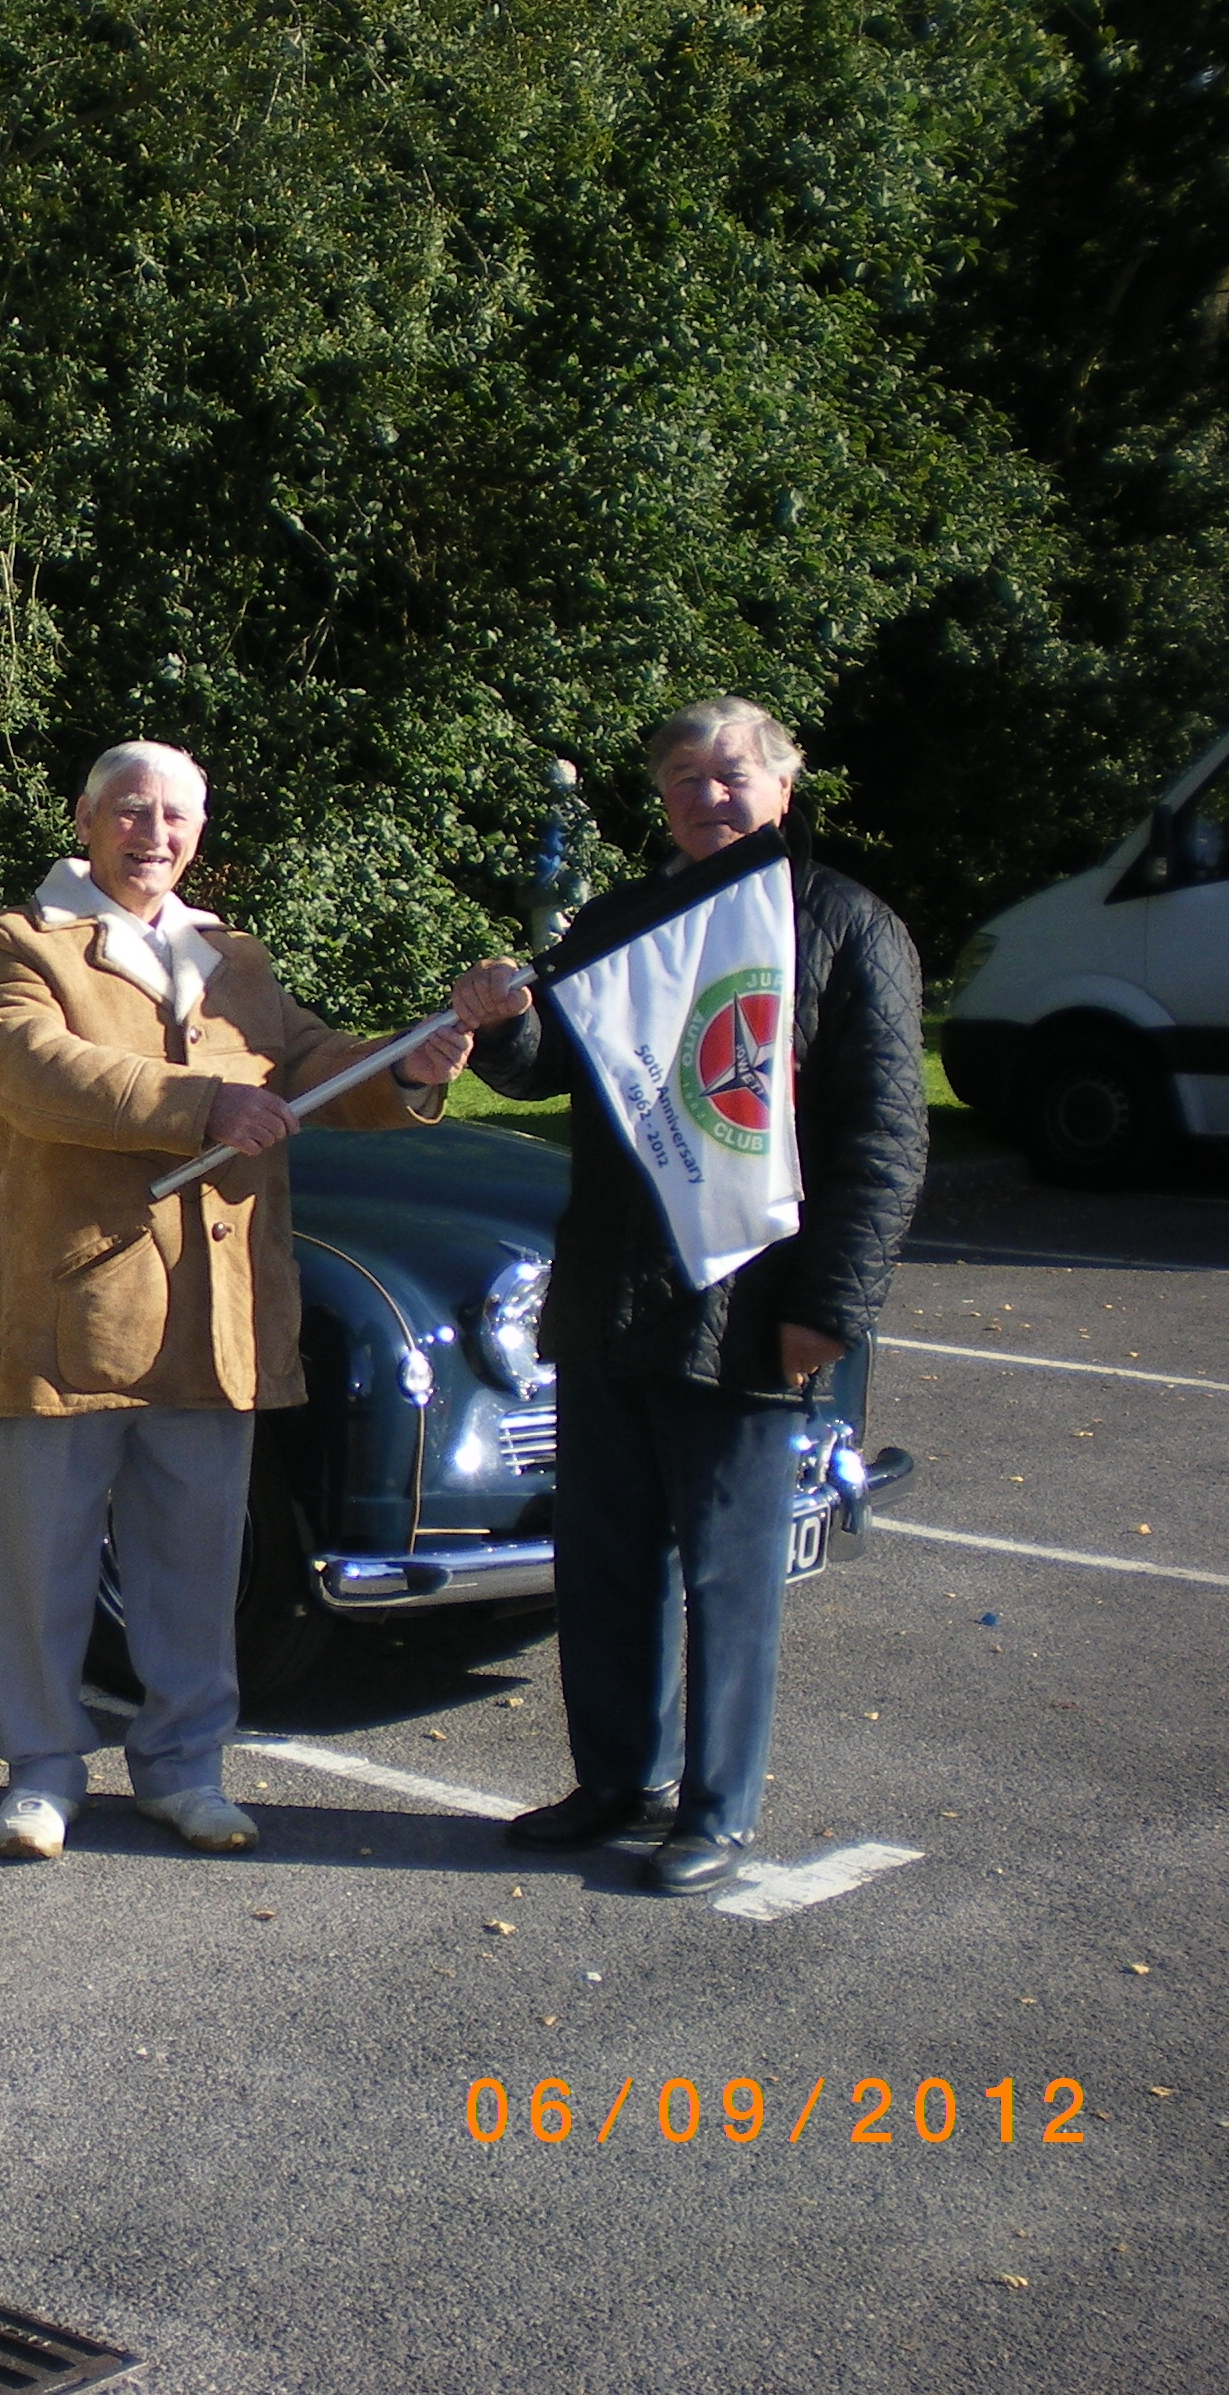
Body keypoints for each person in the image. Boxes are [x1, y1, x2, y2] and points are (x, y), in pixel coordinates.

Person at [0, 741, 478, 1859]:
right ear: (88, 821)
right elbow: (29, 1068)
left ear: (199, 833)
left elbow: (306, 1065)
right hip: (79, 1311)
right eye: (132, 812)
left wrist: (410, 1065)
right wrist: (203, 1106)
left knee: (196, 1564)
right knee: (45, 1561)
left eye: (176, 817)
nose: (155, 833)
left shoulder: (231, 956)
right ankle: (43, 1773)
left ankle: (184, 1767)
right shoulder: (19, 944)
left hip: (222, 1310)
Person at [456, 696, 926, 1894]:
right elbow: (547, 1063)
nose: (706, 798)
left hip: (754, 1305)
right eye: (683, 779)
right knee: (605, 1560)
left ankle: (716, 1811)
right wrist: (499, 1026)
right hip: (612, 1292)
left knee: (727, 1575)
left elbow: (884, 1139)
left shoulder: (845, 925)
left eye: (730, 777)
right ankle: (621, 1780)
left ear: (782, 784)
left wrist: (835, 1307)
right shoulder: (627, 920)